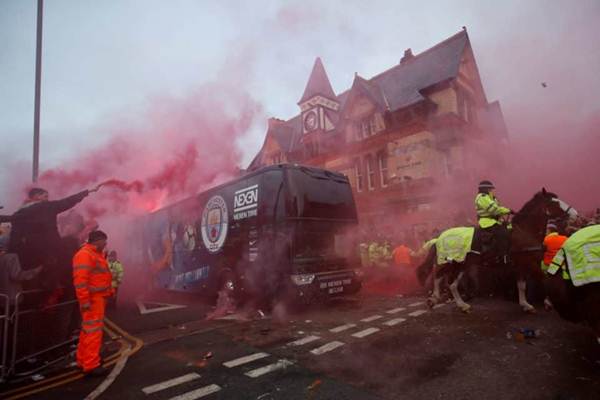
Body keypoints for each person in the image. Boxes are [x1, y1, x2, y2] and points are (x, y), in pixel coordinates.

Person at [9, 185, 104, 279]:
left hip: (29, 254)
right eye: (45, 196)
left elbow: (14, 235)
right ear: (36, 197)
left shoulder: (20, 213)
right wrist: (87, 192)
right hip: (51, 249)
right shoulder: (48, 207)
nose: (47, 199)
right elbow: (68, 201)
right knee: (69, 257)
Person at [73, 230, 113, 376]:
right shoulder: (85, 255)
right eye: (104, 241)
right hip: (92, 300)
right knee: (94, 333)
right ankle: (91, 365)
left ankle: (83, 360)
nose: (106, 244)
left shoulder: (94, 254)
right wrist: (84, 301)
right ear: (97, 240)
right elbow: (80, 281)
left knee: (87, 331)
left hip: (96, 298)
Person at [474, 180, 512, 263]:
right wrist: (508, 210)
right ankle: (503, 257)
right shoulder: (482, 197)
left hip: (494, 220)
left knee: (510, 228)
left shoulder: (490, 197)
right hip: (486, 222)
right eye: (490, 189)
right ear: (485, 189)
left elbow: (497, 209)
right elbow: (493, 209)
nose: (491, 190)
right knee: (503, 233)